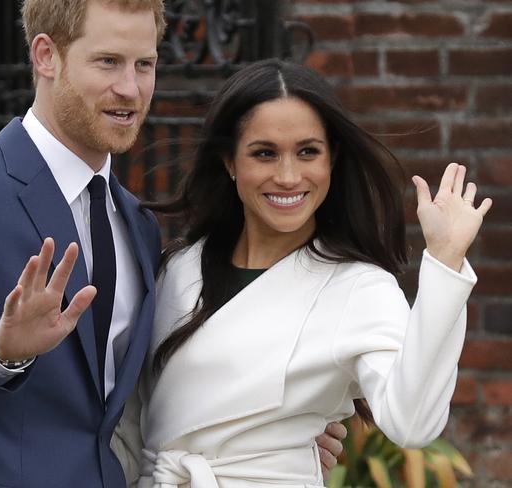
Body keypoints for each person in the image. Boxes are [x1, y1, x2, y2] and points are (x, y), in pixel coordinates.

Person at [0, 3, 344, 487]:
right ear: (45, 56)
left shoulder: (137, 224)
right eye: (108, 62)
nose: (131, 89)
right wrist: (0, 348)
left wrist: (270, 435)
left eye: (145, 64)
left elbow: (144, 394)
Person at [114, 59, 492, 488]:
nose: (289, 176)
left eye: (308, 152)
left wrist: (445, 263)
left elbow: (413, 423)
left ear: (332, 160)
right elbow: (129, 418)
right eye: (264, 153)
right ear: (230, 161)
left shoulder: (359, 288)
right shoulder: (177, 269)